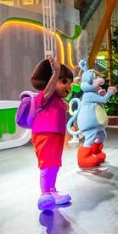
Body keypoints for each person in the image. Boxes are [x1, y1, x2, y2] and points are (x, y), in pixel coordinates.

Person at [29, 58, 75, 211]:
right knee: (47, 166)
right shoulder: (44, 95)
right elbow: (49, 90)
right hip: (45, 135)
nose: (68, 86)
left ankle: (52, 191)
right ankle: (44, 194)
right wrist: (55, 72)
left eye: (69, 82)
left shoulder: (57, 100)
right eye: (64, 81)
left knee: (54, 165)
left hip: (56, 135)